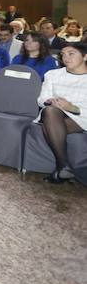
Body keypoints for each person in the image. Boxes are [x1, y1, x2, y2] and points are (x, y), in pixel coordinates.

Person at [36, 42, 87, 183]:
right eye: (63, 54)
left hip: (82, 116)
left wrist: (71, 108)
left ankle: (62, 168)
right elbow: (41, 99)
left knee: (49, 124)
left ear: (85, 57)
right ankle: (63, 167)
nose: (66, 58)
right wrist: (49, 101)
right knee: (51, 111)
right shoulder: (53, 74)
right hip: (54, 114)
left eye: (71, 54)